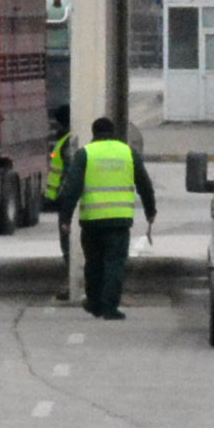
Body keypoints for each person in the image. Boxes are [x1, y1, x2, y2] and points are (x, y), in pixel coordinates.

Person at [76, 114, 150, 320]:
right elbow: (144, 184)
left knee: (93, 263)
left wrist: (64, 217)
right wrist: (150, 211)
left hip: (91, 221)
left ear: (94, 133)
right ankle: (109, 307)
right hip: (119, 221)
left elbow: (72, 187)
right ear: (114, 133)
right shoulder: (128, 153)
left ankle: (94, 303)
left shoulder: (85, 154)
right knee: (114, 264)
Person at [43, 106, 80, 277]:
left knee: (68, 242)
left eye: (57, 123)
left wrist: (52, 198)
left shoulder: (67, 143)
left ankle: (75, 278)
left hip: (68, 200)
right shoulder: (67, 141)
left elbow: (62, 173)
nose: (55, 127)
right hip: (69, 198)